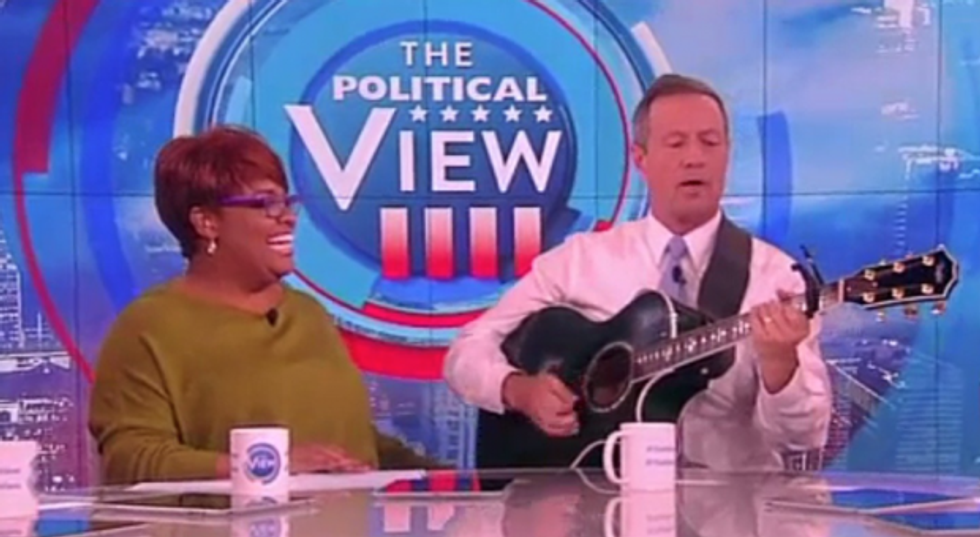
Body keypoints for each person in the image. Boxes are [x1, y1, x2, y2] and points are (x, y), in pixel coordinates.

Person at [443, 74, 832, 470]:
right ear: (640, 158)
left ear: (727, 155)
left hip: (728, 502)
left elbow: (805, 437)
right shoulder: (580, 260)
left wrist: (781, 365)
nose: (694, 158)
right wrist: (518, 390)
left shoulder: (777, 279)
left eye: (710, 142)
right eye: (676, 143)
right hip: (592, 500)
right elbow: (467, 350)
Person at [88, 125, 439, 485]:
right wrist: (268, 466)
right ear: (207, 222)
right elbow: (132, 461)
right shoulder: (149, 328)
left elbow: (350, 443)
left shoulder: (308, 315)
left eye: (287, 202)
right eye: (266, 204)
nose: (287, 217)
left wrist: (450, 480)